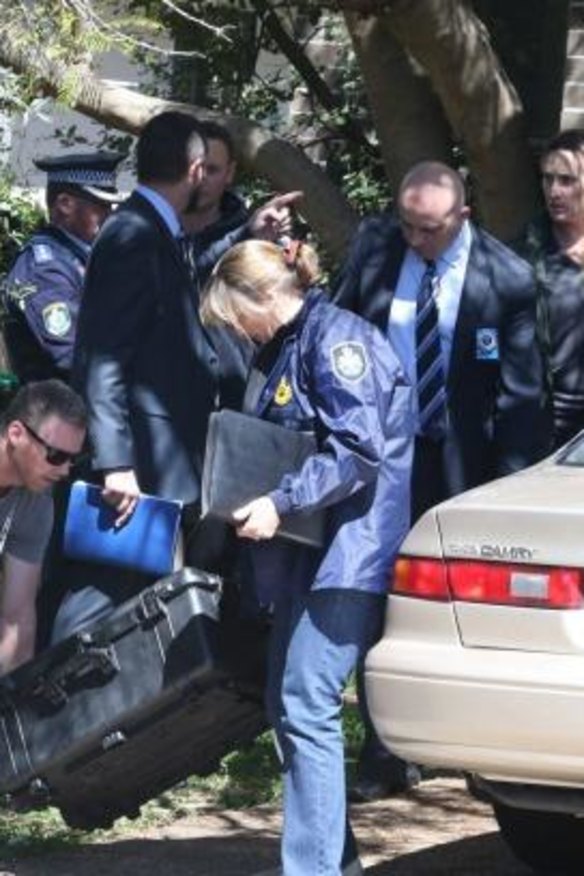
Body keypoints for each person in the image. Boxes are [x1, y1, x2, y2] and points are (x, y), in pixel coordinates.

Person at [334, 159, 552, 802]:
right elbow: (340, 331)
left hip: (462, 469)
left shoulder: (506, 279)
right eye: (407, 224)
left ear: (463, 216)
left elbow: (520, 400)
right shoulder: (378, 251)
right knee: (379, 593)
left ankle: (475, 751)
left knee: (460, 609)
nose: (415, 239)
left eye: (428, 229)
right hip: (384, 458)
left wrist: (509, 495)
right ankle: (383, 751)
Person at [200, 238, 414, 876]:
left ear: (267, 294)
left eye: (237, 315)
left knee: (306, 702)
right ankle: (330, 862)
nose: (237, 330)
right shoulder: (290, 343)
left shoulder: (338, 341)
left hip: (352, 553)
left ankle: (313, 869)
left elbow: (357, 451)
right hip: (308, 555)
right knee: (287, 701)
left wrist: (280, 501)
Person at [67, 110, 301, 634]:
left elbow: (186, 281)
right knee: (98, 609)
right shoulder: (134, 235)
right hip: (139, 468)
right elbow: (102, 359)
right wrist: (115, 462)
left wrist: (246, 231)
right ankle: (40, 687)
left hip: (162, 463)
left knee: (139, 610)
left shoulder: (153, 231)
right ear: (195, 170)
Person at [2, 152, 123, 383]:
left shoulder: (78, 257)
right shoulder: (44, 270)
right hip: (61, 402)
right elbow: (73, 356)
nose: (110, 215)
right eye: (101, 205)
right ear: (65, 204)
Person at [0, 379, 87, 674]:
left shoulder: (36, 505)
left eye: (72, 459)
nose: (64, 470)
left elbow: (17, 618)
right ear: (16, 434)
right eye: (56, 455)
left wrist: (13, 694)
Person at [515, 129, 584, 448]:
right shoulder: (524, 254)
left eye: (567, 180)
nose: (554, 191)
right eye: (548, 179)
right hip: (551, 422)